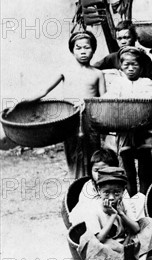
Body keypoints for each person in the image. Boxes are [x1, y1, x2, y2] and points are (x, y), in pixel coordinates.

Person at [17, 31, 105, 178]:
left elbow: (104, 99)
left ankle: (92, 189)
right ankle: (75, 188)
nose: (83, 51)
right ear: (72, 50)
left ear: (93, 49)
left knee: (92, 155)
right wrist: (22, 103)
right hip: (69, 120)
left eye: (87, 47)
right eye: (78, 48)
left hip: (90, 120)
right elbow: (43, 90)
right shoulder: (65, 71)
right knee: (73, 155)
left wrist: (88, 102)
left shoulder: (97, 73)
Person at [75, 166, 152, 260]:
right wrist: (113, 216)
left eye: (117, 193)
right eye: (106, 193)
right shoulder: (93, 209)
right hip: (108, 245)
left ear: (123, 190)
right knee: (88, 239)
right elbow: (99, 238)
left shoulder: (124, 202)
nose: (112, 197)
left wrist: (121, 213)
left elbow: (136, 229)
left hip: (127, 242)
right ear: (99, 190)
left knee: (148, 222)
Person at [103, 46, 152, 196]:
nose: (131, 68)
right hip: (124, 130)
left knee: (145, 166)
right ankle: (129, 198)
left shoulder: (146, 83)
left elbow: (149, 102)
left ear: (141, 66)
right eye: (127, 65)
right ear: (121, 66)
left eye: (135, 65)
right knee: (127, 167)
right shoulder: (118, 83)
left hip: (143, 131)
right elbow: (109, 98)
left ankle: (146, 197)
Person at [70, 148, 145, 224]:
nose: (99, 174)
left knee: (140, 198)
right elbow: (88, 208)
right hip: (97, 220)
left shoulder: (119, 185)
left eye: (104, 170)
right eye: (96, 170)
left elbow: (127, 204)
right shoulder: (89, 186)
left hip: (118, 216)